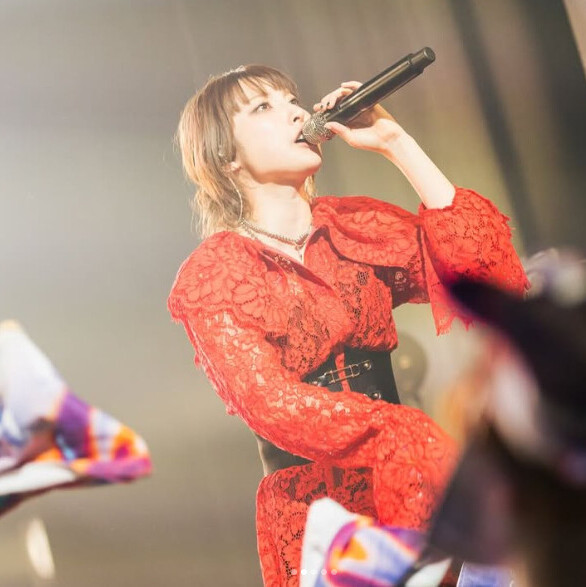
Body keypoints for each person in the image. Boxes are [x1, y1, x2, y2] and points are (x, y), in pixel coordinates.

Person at [167, 64, 528, 586]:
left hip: (408, 482)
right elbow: (269, 402)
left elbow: (489, 279)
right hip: (319, 511)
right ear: (226, 156)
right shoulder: (214, 273)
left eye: (292, 99)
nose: (296, 112)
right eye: (264, 107)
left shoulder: (353, 226)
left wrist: (397, 143)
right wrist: (393, 432)